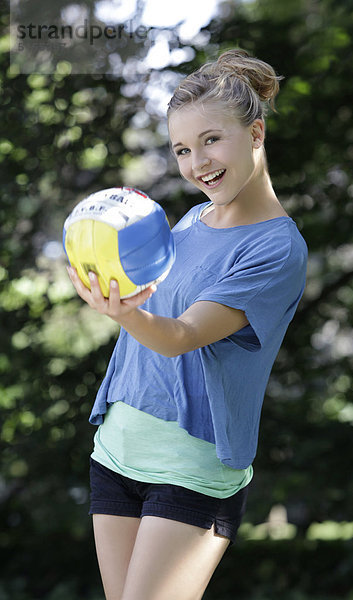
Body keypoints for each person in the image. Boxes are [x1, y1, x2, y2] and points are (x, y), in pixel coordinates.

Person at [67, 48, 308, 600]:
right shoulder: (194, 217)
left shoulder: (277, 250)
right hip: (118, 451)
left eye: (210, 140)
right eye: (181, 148)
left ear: (255, 132)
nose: (197, 162)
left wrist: (122, 312)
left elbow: (180, 337)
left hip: (191, 469)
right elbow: (151, 300)